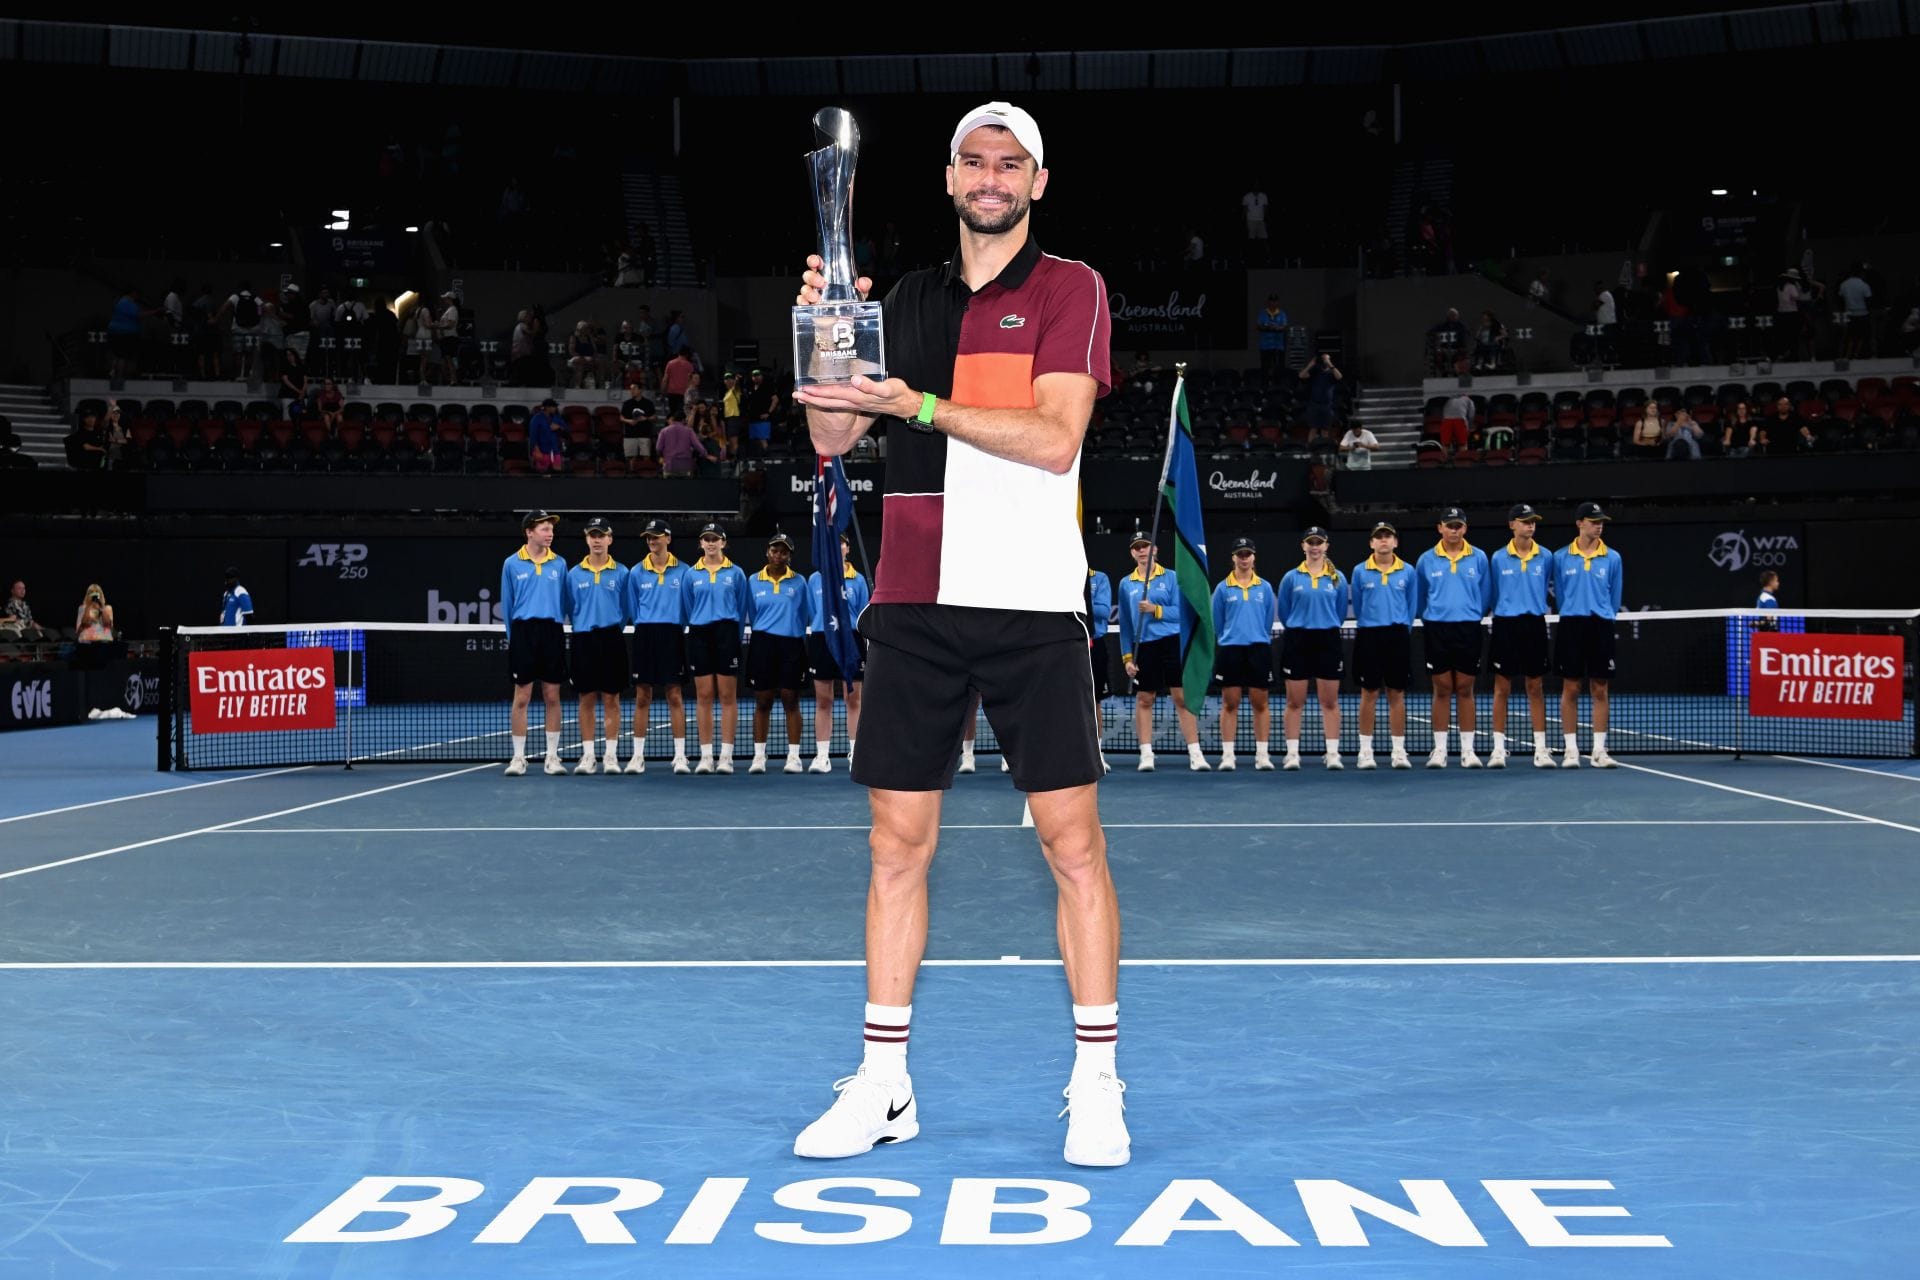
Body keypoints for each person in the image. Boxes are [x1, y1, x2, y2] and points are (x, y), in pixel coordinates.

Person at [791, 100, 1127, 1167]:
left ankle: (1098, 1086)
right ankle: (884, 1084)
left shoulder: (1070, 288)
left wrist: (921, 406)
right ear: (948, 179)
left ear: (1037, 182)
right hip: (913, 599)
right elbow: (834, 434)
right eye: (974, 162)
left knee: (1073, 846)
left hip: (1032, 602)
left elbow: (1056, 437)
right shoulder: (900, 300)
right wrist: (826, 331)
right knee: (896, 847)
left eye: (1009, 164)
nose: (991, 178)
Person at [1120, 532, 1207, 772]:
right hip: (1144, 646)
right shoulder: (1126, 584)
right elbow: (1125, 624)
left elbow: (1181, 613)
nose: (1142, 550)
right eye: (1137, 547)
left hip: (1171, 642)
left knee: (1181, 698)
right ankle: (1146, 754)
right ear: (1132, 553)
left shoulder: (1171, 577)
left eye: (1146, 546)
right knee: (1144, 699)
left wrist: (1155, 609)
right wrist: (1127, 657)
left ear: (1155, 549)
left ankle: (1195, 753)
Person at [1416, 506, 1491, 768]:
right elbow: (1420, 597)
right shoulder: (1426, 559)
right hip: (1437, 629)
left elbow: (1485, 595)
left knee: (1465, 688)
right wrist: (1433, 616)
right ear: (1440, 528)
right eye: (1449, 526)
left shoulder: (1479, 557)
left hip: (1468, 628)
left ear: (1465, 529)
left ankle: (1468, 751)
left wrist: (1472, 614)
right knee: (1442, 688)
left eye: (1458, 526)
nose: (1454, 530)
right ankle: (1440, 751)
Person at [1553, 502, 1623, 769]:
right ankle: (1571, 751)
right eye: (1594, 521)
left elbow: (1615, 597)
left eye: (1601, 521)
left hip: (1600, 625)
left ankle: (1599, 751)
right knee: (1570, 688)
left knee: (1600, 689)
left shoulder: (1613, 558)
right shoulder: (1561, 557)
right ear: (1579, 523)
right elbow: (1561, 595)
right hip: (1572, 625)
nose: (1599, 525)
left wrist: (1604, 615)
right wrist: (1573, 610)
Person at [1487, 504, 1556, 769]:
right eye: (1525, 521)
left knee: (1535, 688)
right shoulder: (1497, 558)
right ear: (1512, 525)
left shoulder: (1546, 556)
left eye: (1533, 521)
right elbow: (1493, 593)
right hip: (1506, 625)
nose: (1530, 525)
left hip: (1534, 625)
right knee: (1501, 688)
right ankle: (1498, 749)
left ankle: (1541, 750)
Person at [501, 511, 569, 776]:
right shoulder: (511, 564)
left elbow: (563, 601)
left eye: (551, 529)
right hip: (523, 632)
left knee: (552, 695)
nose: (550, 533)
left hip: (551, 631)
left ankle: (552, 757)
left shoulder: (560, 564)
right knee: (522, 697)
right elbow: (507, 604)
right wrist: (514, 638)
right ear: (529, 532)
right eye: (544, 529)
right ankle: (518, 758)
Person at [622, 519, 693, 774]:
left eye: (657, 536)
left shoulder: (684, 571)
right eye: (649, 537)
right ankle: (637, 757)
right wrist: (646, 623)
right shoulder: (635, 572)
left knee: (674, 696)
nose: (652, 541)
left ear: (668, 539)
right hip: (645, 635)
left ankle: (680, 756)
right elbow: (632, 607)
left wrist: (674, 625)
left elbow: (688, 607)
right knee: (643, 697)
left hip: (672, 634)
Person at [1276, 527, 1347, 770]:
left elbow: (1339, 612)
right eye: (1310, 542)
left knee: (1330, 702)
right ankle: (1292, 754)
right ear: (1303, 546)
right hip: (1298, 640)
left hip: (1328, 640)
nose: (1315, 547)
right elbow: (1285, 612)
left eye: (1319, 542)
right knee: (1295, 702)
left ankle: (1332, 753)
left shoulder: (1337, 578)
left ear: (1326, 546)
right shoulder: (1291, 578)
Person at [564, 518, 631, 775]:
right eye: (592, 535)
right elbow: (570, 607)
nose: (597, 540)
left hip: (611, 638)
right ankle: (589, 756)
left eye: (601, 535)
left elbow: (626, 608)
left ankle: (611, 756)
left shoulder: (622, 572)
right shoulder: (573, 574)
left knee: (612, 698)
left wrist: (611, 626)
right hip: (583, 639)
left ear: (609, 539)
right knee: (586, 698)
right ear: (586, 539)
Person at [684, 523, 750, 774]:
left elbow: (741, 606)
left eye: (715, 539)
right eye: (706, 539)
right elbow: (688, 606)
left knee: (726, 696)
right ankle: (706, 757)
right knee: (703, 696)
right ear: (701, 543)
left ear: (723, 542)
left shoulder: (736, 573)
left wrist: (733, 633)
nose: (711, 543)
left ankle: (726, 757)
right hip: (699, 634)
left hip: (727, 634)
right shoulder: (691, 574)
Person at [1349, 521, 1416, 770]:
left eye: (1388, 536)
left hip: (1397, 635)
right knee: (1369, 693)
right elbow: (1358, 605)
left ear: (1395, 542)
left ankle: (1398, 751)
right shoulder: (1359, 571)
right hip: (1369, 635)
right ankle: (1365, 752)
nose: (1384, 540)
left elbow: (1411, 605)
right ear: (1372, 543)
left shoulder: (1408, 571)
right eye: (1379, 537)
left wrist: (1402, 629)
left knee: (1396, 694)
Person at [746, 532, 814, 774]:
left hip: (791, 645)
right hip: (763, 643)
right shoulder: (753, 580)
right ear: (767, 552)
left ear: (790, 556)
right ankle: (759, 757)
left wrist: (789, 630)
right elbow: (753, 612)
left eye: (783, 552)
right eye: (775, 550)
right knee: (763, 701)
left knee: (790, 700)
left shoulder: (800, 582)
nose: (778, 555)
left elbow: (805, 613)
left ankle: (794, 757)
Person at [1210, 536, 1276, 771]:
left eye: (1248, 554)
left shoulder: (1265, 588)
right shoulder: (1222, 588)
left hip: (1258, 649)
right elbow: (1218, 623)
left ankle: (1262, 755)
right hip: (1231, 650)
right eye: (1240, 554)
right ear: (1233, 558)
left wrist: (1256, 636)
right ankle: (1228, 756)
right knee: (1230, 703)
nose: (1244, 558)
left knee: (1260, 703)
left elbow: (1268, 621)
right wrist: (1231, 638)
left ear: (1254, 557)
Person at [808, 531, 871, 774]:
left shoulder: (858, 580)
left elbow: (863, 614)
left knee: (853, 699)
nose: (837, 547)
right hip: (823, 637)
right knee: (823, 700)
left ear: (848, 548)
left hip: (850, 640)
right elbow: (812, 611)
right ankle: (822, 756)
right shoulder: (815, 579)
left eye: (841, 543)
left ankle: (857, 754)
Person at [528, 397, 566, 473]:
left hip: (555, 450)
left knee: (557, 472)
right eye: (553, 406)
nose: (555, 408)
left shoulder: (556, 418)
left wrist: (559, 427)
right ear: (547, 408)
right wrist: (537, 450)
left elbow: (566, 428)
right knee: (543, 473)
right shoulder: (537, 419)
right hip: (542, 451)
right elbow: (533, 436)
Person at [1255, 294, 1288, 377]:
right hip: (1265, 346)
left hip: (1278, 346)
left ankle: (1278, 383)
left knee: (1278, 369)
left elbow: (1284, 327)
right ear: (1268, 302)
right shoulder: (1263, 313)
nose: (1273, 303)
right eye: (1272, 301)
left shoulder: (1282, 313)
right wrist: (1268, 327)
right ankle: (1265, 384)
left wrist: (1276, 328)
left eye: (1275, 301)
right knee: (1265, 368)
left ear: (1278, 302)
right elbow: (1259, 326)